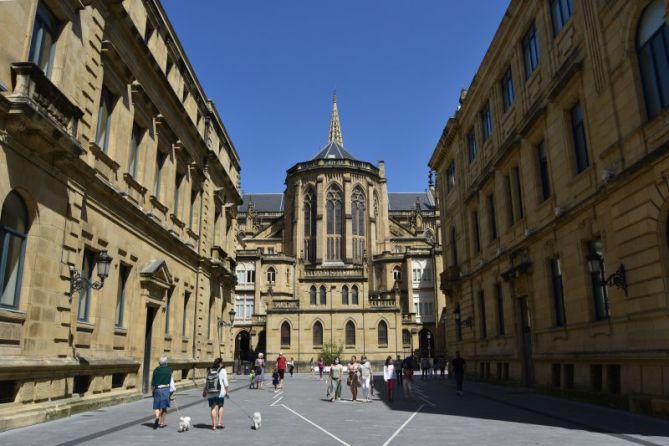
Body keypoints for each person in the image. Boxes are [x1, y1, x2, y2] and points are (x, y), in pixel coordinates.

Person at [202, 357, 229, 430]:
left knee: (213, 407)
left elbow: (206, 382)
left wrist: (204, 391)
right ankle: (219, 423)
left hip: (210, 392)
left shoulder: (209, 370)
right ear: (220, 363)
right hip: (220, 392)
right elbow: (226, 383)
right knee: (221, 406)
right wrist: (227, 392)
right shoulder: (223, 370)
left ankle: (214, 425)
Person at [151, 356, 175, 429]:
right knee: (164, 407)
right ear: (166, 363)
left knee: (157, 406)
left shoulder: (156, 370)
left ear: (159, 363)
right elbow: (171, 382)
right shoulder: (169, 370)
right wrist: (173, 392)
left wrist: (152, 390)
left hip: (157, 389)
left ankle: (157, 417)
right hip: (165, 389)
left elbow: (152, 382)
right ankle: (161, 423)